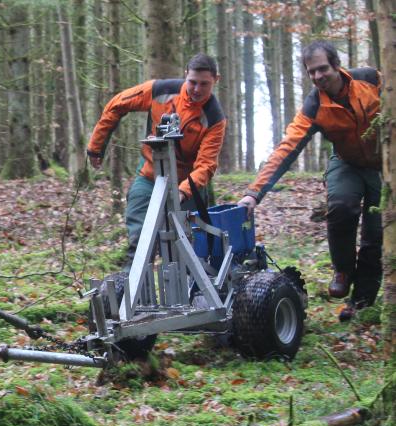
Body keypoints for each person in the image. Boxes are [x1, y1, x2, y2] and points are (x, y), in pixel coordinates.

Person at [236, 41, 381, 322]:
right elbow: (286, 149)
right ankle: (343, 269)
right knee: (341, 205)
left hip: (383, 164)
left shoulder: (371, 80)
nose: (317, 76)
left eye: (322, 69)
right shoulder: (315, 105)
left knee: (376, 235)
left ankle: (361, 303)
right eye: (311, 72)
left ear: (337, 65)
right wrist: (254, 193)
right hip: (346, 162)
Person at [86, 53, 226, 259]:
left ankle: (195, 288)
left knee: (191, 249)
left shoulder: (214, 118)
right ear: (185, 75)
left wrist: (182, 192)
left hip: (188, 185)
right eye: (192, 82)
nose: (196, 89)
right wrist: (96, 147)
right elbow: (117, 104)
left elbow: (206, 166)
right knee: (140, 242)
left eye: (204, 84)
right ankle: (131, 287)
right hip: (151, 175)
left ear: (216, 80)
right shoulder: (161, 91)